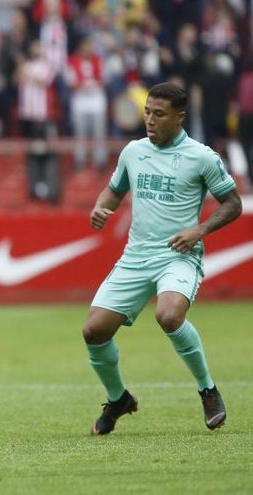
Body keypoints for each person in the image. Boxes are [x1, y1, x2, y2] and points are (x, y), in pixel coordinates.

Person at [82, 82, 242, 435]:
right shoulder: (133, 151)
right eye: (147, 113)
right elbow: (115, 189)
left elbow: (233, 204)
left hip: (178, 255)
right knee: (93, 331)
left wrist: (198, 231)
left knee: (168, 315)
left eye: (159, 114)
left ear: (179, 117)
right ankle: (119, 398)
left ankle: (207, 390)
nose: (150, 120)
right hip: (136, 255)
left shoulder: (201, 156)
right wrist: (101, 206)